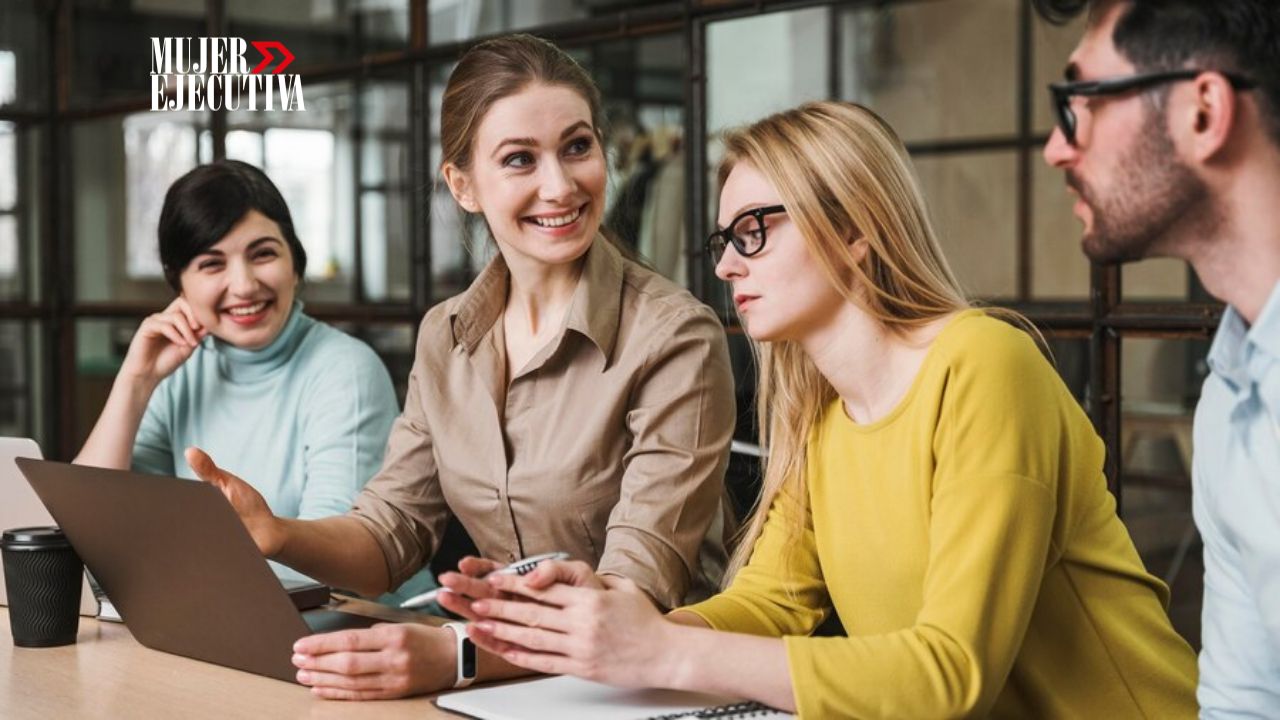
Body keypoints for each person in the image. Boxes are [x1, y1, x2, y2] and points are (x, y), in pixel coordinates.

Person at [460, 100, 1198, 717]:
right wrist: (612, 626)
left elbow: (951, 675)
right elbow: (770, 605)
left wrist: (663, 648)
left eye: (754, 230)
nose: (724, 265)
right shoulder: (823, 418)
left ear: (852, 229)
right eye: (725, 239)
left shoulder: (984, 365)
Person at [188, 33, 735, 700]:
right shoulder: (445, 337)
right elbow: (388, 538)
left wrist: (458, 654)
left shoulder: (674, 335)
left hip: (667, 695)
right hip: (522, 687)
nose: (559, 185)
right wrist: (273, 533)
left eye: (577, 147)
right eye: (519, 160)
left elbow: (628, 600)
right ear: (464, 185)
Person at [1034, 0, 1280, 714]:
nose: (1056, 146)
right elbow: (1244, 701)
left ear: (1203, 111)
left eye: (1081, 100)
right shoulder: (1232, 397)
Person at [74, 160, 406, 591]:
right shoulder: (178, 370)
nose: (244, 285)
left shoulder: (345, 370)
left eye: (263, 254)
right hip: (219, 617)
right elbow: (86, 534)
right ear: (179, 285)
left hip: (361, 627)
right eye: (212, 264)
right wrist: (135, 382)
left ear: (296, 264)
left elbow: (328, 576)